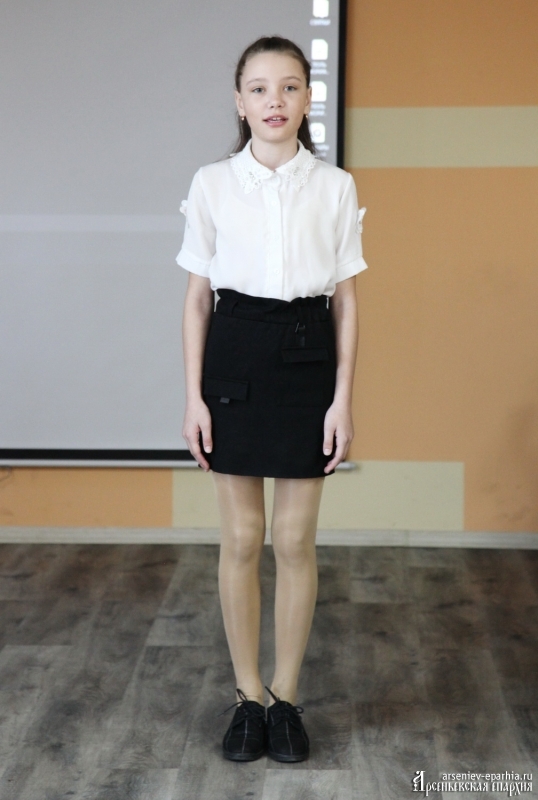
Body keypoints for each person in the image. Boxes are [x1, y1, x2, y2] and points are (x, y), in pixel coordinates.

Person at [177, 35, 367, 763]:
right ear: (239, 101)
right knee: (240, 539)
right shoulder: (211, 183)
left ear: (307, 98)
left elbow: (346, 302)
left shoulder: (335, 186)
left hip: (307, 355)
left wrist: (342, 399)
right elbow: (197, 299)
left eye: (288, 87)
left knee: (292, 540)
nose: (274, 101)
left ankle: (286, 698)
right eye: (258, 89)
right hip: (234, 352)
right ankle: (247, 698)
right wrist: (193, 398)